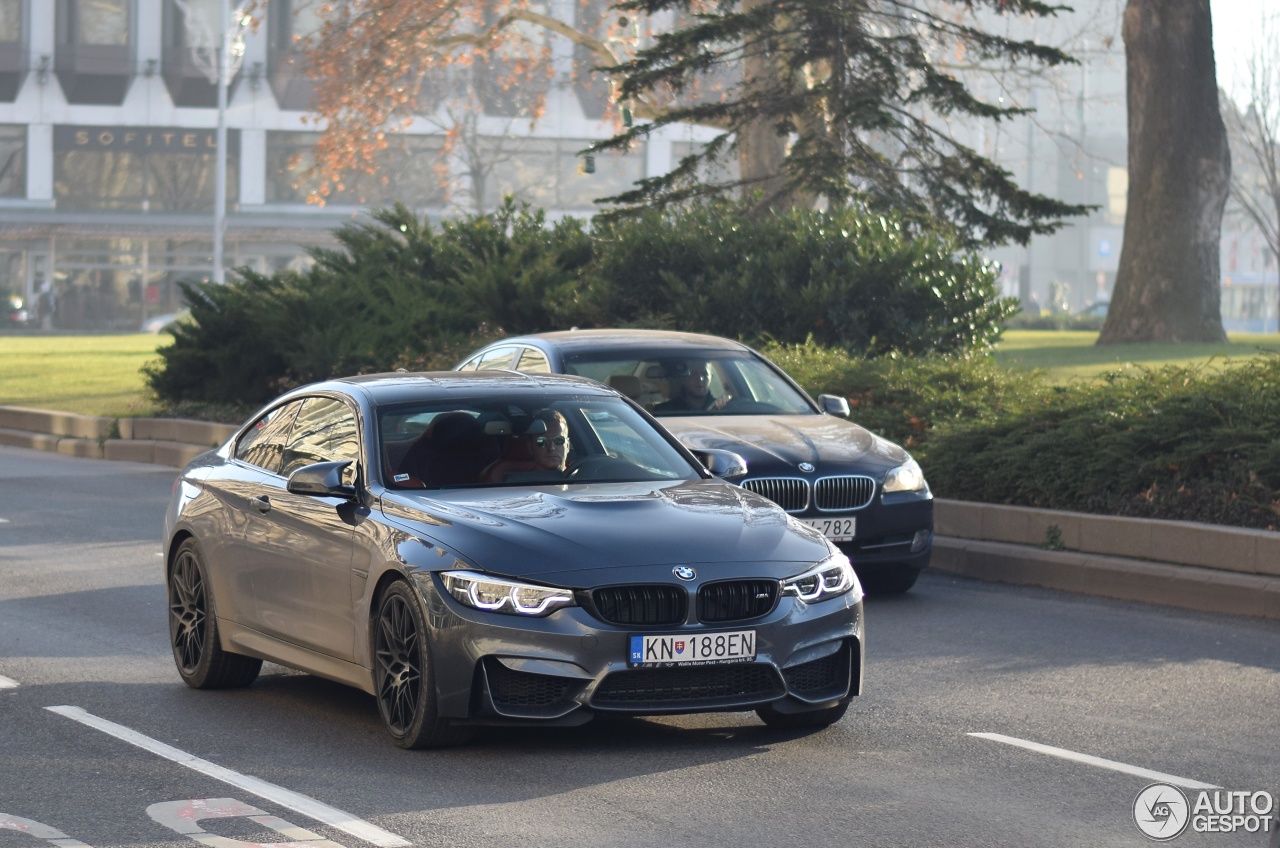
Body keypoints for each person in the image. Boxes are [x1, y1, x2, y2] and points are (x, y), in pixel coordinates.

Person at [479, 409, 570, 483]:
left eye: (558, 440)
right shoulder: (516, 484)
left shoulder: (582, 477)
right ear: (530, 448)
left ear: (567, 445)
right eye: (542, 441)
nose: (551, 448)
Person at [653, 359, 728, 413]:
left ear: (711, 376)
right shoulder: (665, 411)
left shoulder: (724, 408)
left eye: (704, 373)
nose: (700, 379)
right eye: (693, 374)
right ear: (683, 378)